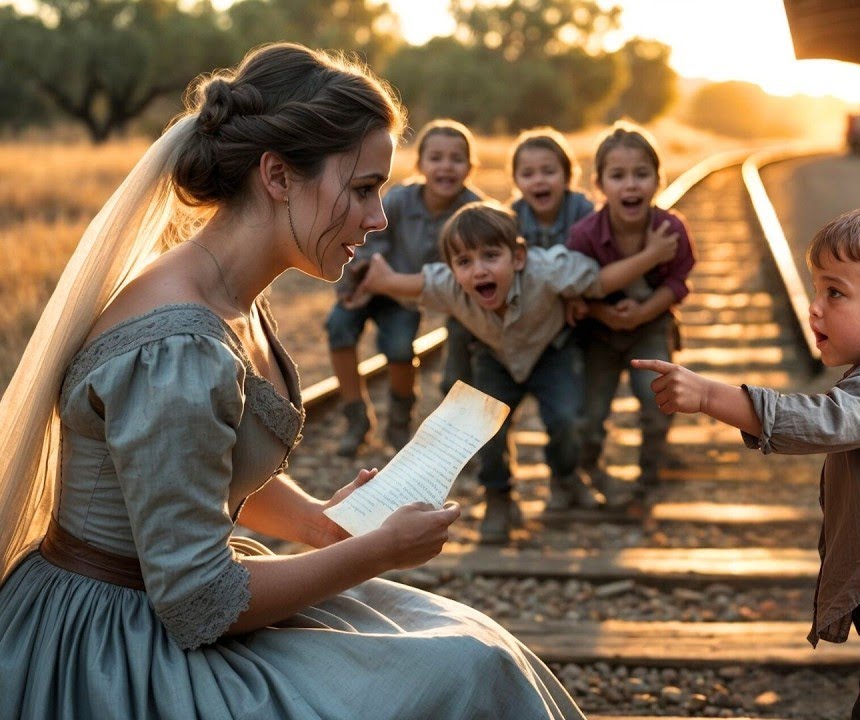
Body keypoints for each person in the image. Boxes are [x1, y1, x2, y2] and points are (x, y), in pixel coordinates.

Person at [0, 43, 585, 719]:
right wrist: (376, 552)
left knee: (473, 643)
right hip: (117, 646)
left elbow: (191, 470)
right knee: (467, 670)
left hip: (160, 604)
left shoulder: (226, 295)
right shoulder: (177, 348)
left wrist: (320, 523)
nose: (379, 219)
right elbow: (198, 602)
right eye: (363, 189)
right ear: (278, 175)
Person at [634, 201, 860, 719]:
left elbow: (822, 422)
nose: (815, 307)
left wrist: (712, 397)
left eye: (835, 292)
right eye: (818, 289)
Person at [355, 200, 677, 544]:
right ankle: (499, 496)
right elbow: (415, 284)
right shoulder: (448, 285)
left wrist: (646, 260)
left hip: (550, 352)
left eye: (491, 257)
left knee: (568, 420)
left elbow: (597, 280)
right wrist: (381, 280)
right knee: (486, 430)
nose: (478, 271)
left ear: (519, 258)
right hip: (495, 358)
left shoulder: (547, 269)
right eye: (464, 262)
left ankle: (566, 478)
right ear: (450, 268)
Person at [328, 119, 485, 455]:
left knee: (400, 349)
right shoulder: (399, 198)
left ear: (470, 167)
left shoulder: (473, 210)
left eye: (456, 159)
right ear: (421, 164)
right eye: (436, 157)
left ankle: (399, 422)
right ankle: (356, 418)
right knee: (338, 327)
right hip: (367, 282)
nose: (446, 166)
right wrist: (358, 283)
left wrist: (396, 284)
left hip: (405, 298)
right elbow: (368, 240)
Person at [566, 122, 695, 506]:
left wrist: (641, 313)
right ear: (600, 185)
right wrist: (606, 313)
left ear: (658, 180)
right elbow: (576, 290)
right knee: (590, 412)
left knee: (658, 404)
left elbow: (678, 283)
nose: (631, 185)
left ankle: (649, 475)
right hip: (598, 333)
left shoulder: (670, 229)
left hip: (651, 327)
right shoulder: (585, 234)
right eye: (618, 176)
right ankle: (589, 470)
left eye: (641, 175)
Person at [509, 127, 595, 249]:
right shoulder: (513, 216)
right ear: (516, 181)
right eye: (527, 174)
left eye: (548, 172)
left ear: (567, 176)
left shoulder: (582, 209)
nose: (538, 180)